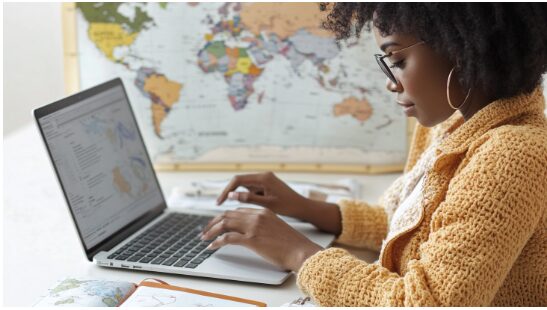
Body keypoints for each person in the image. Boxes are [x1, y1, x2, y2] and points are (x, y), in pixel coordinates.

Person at [200, 3, 547, 306]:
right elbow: (405, 228)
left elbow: (426, 304)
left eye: (397, 60)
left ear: (461, 48)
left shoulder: (512, 154)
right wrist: (304, 208)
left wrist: (298, 253)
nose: (391, 83)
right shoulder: (453, 120)